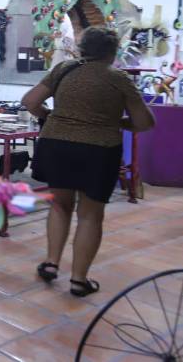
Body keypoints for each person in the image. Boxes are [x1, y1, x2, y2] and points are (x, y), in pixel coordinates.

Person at [23, 25, 154, 297]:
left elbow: (30, 101)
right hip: (99, 150)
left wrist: (50, 116)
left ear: (82, 49)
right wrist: (116, 122)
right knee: (90, 215)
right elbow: (144, 123)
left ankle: (51, 263)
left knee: (59, 205)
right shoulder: (118, 78)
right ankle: (78, 280)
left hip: (57, 145)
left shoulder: (64, 69)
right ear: (113, 52)